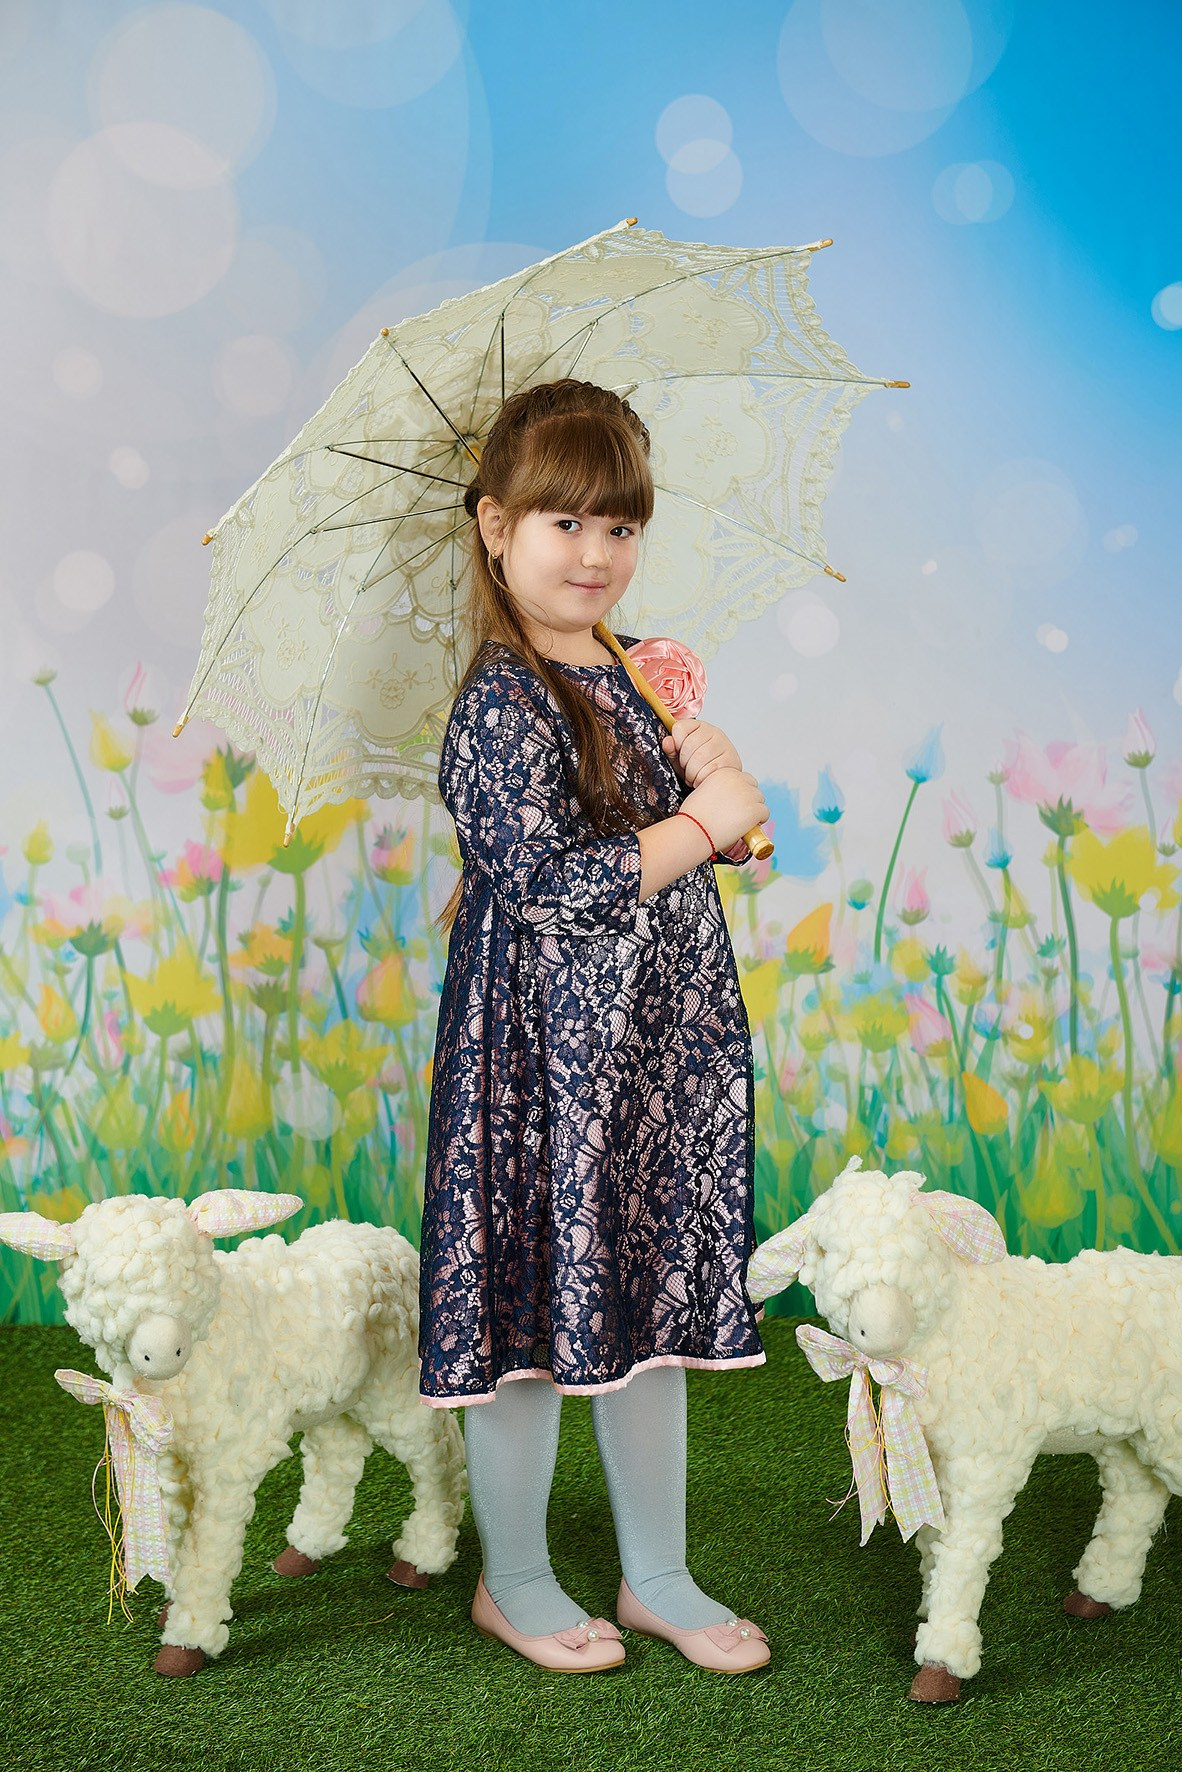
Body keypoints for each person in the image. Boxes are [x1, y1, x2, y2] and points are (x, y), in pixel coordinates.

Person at [419, 378, 772, 1674]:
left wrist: (713, 783)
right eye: (563, 522)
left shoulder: (633, 672)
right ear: (493, 526)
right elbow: (557, 889)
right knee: (526, 1316)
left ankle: (656, 1575)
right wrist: (697, 825)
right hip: (539, 1065)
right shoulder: (498, 705)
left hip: (649, 1051)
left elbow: (673, 846)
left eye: (619, 525)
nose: (594, 553)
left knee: (643, 1300)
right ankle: (513, 1578)